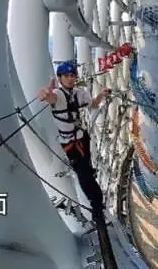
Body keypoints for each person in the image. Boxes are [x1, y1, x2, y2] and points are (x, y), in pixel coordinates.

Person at [37, 61, 110, 215]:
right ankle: (97, 205)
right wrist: (44, 93)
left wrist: (101, 95)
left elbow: (93, 104)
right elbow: (48, 97)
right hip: (69, 143)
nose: (70, 79)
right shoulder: (58, 95)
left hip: (82, 138)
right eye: (66, 76)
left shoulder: (80, 93)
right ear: (60, 78)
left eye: (72, 75)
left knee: (86, 169)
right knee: (84, 176)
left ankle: (97, 201)